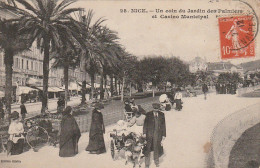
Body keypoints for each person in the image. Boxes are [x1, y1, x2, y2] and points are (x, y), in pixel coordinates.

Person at [143, 103, 166, 168]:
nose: (155, 110)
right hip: (149, 134)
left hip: (157, 134)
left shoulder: (162, 114)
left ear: (158, 109)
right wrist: (144, 133)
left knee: (156, 148)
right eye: (154, 109)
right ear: (152, 108)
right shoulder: (148, 114)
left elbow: (163, 125)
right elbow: (145, 124)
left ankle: (157, 162)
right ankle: (147, 165)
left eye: (157, 109)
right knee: (148, 148)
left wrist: (164, 134)